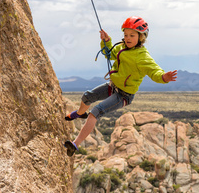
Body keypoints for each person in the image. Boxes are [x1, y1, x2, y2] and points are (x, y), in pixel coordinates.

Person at [63, 16, 177, 156]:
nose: (127, 38)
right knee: (87, 96)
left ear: (141, 37)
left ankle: (75, 144)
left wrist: (163, 77)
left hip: (123, 95)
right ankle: (80, 113)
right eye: (125, 35)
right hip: (113, 85)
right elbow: (108, 53)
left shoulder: (142, 56)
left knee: (96, 111)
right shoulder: (121, 47)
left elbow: (154, 71)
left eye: (132, 35)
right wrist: (106, 41)